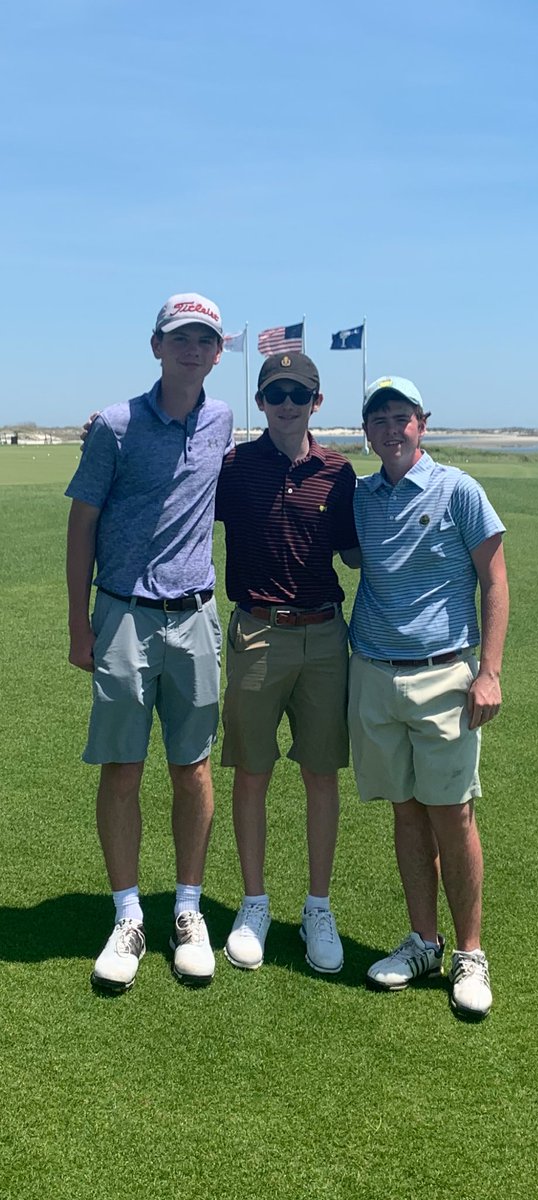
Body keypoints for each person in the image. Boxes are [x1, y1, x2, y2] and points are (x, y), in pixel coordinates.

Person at [66, 293, 234, 992]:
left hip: (195, 616)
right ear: (157, 346)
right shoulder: (115, 425)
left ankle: (188, 909)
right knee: (123, 768)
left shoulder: (223, 420)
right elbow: (82, 526)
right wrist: (78, 623)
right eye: (179, 339)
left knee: (192, 767)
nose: (191, 350)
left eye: (204, 340)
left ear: (218, 353)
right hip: (124, 616)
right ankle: (129, 913)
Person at [347, 376, 509, 1018]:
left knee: (453, 813)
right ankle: (423, 942)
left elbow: (493, 581)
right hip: (375, 674)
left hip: (445, 675)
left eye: (402, 417)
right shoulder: (359, 496)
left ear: (423, 422)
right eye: (380, 418)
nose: (392, 428)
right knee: (406, 810)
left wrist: (489, 671)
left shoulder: (459, 490)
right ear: (367, 431)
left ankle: (470, 953)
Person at [215, 352, 359, 973]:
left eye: (298, 393)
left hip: (326, 639)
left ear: (317, 402)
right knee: (252, 772)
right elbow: (173, 491)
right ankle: (254, 902)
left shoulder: (339, 472)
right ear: (260, 401)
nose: (287, 403)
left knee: (321, 774)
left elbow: (358, 555)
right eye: (275, 392)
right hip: (256, 635)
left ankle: (318, 908)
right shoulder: (235, 467)